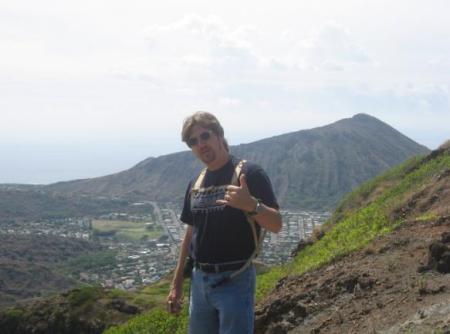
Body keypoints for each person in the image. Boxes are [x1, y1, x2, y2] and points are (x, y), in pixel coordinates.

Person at [167, 111, 282, 334]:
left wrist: (251, 205)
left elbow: (277, 224)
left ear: (219, 135)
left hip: (235, 281)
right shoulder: (196, 183)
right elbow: (191, 233)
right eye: (193, 141)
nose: (201, 144)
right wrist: (177, 281)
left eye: (205, 136)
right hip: (199, 282)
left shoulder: (249, 174)